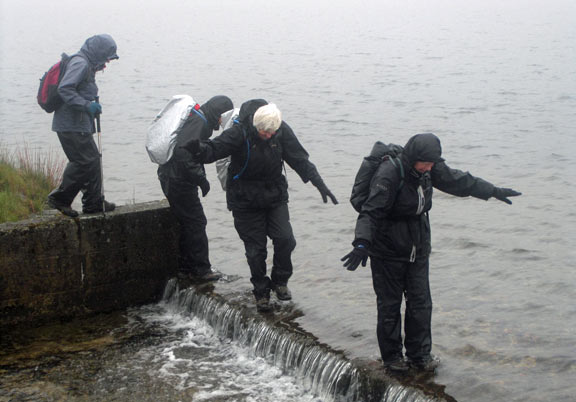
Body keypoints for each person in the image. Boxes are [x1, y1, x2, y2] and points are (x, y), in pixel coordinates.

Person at [341, 133, 521, 373]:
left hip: (419, 246)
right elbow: (371, 212)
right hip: (387, 249)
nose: (428, 168)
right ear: (413, 157)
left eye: (432, 164)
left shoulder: (429, 168)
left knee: (421, 303)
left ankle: (420, 356)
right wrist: (361, 243)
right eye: (424, 163)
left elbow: (459, 181)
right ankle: (392, 358)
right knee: (390, 306)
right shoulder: (389, 174)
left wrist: (492, 190)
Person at [187, 100, 338, 311]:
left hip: (274, 196)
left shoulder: (281, 131)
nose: (267, 135)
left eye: (270, 132)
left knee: (286, 239)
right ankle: (261, 292)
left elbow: (300, 159)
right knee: (255, 251)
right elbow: (215, 149)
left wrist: (319, 184)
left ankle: (280, 281)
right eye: (262, 132)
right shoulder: (240, 132)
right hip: (244, 200)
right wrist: (198, 149)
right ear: (255, 125)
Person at [158, 95, 233, 282]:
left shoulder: (196, 116)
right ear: (218, 113)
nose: (221, 122)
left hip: (170, 176)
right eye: (221, 117)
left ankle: (185, 267)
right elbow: (184, 153)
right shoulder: (199, 123)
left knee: (185, 222)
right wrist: (201, 179)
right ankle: (201, 269)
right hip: (179, 179)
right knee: (197, 222)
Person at [47, 34, 119, 217]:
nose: (106, 64)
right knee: (84, 161)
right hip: (70, 125)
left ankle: (93, 202)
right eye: (106, 58)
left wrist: (90, 105)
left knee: (93, 160)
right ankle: (59, 199)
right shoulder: (81, 64)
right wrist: (87, 105)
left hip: (77, 125)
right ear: (98, 52)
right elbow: (65, 88)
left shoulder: (87, 64)